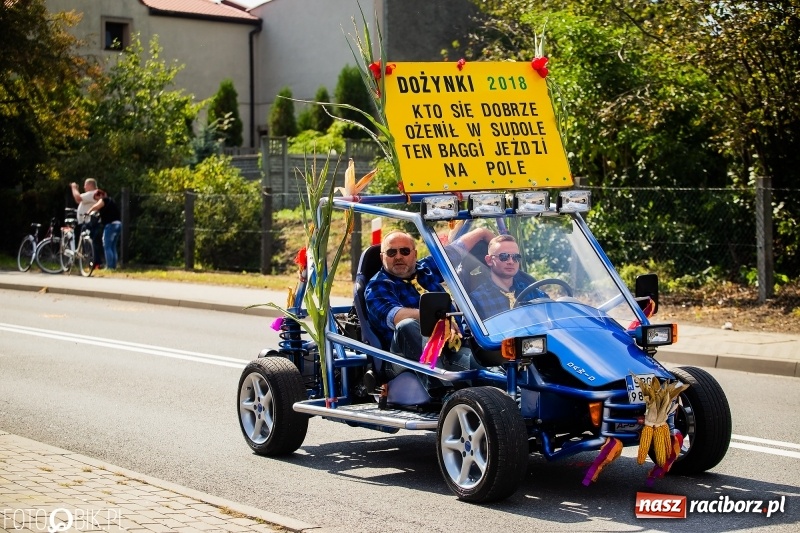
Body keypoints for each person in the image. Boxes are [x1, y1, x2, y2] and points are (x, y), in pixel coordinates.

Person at [364, 227, 493, 388]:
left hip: (453, 345)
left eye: (404, 251)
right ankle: (440, 389)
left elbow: (455, 250)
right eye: (391, 253)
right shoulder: (377, 286)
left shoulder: (425, 270)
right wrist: (438, 318)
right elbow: (395, 316)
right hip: (398, 357)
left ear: (414, 254)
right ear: (383, 257)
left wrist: (483, 233)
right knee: (407, 325)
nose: (398, 257)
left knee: (496, 371)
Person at [468, 234, 544, 319]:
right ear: (489, 260)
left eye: (516, 257)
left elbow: (552, 313)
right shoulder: (477, 299)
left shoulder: (531, 290)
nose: (511, 261)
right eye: (504, 256)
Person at [87, 189, 122, 270]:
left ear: (100, 195)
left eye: (96, 199)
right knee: (112, 246)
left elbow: (96, 206)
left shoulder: (104, 200)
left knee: (107, 246)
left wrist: (88, 212)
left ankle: (110, 267)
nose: (97, 201)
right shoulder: (111, 202)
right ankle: (113, 266)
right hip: (118, 224)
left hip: (111, 225)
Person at [70, 179, 102, 266]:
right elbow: (79, 200)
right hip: (88, 222)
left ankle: (95, 263)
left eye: (85, 185)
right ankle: (92, 262)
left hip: (89, 222)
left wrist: (73, 188)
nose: (84, 187)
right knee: (89, 243)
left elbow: (78, 198)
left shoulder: (93, 193)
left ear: (90, 185)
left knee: (89, 242)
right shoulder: (94, 194)